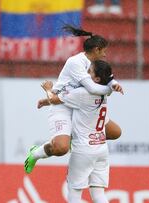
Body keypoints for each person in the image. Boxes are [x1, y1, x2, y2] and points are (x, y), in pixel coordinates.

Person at [24, 25, 123, 174]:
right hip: (63, 105)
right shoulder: (75, 62)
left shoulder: (97, 65)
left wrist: (114, 84)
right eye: (103, 51)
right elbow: (93, 89)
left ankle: (76, 139)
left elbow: (107, 77)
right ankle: (36, 153)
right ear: (96, 50)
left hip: (82, 106)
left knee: (115, 132)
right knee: (61, 148)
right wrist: (110, 89)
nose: (105, 55)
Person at [39, 60, 114, 203]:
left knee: (74, 194)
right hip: (101, 148)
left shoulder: (82, 93)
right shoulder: (106, 91)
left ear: (97, 79)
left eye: (89, 72)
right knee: (99, 194)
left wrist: (48, 89)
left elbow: (54, 99)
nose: (86, 75)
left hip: (84, 149)